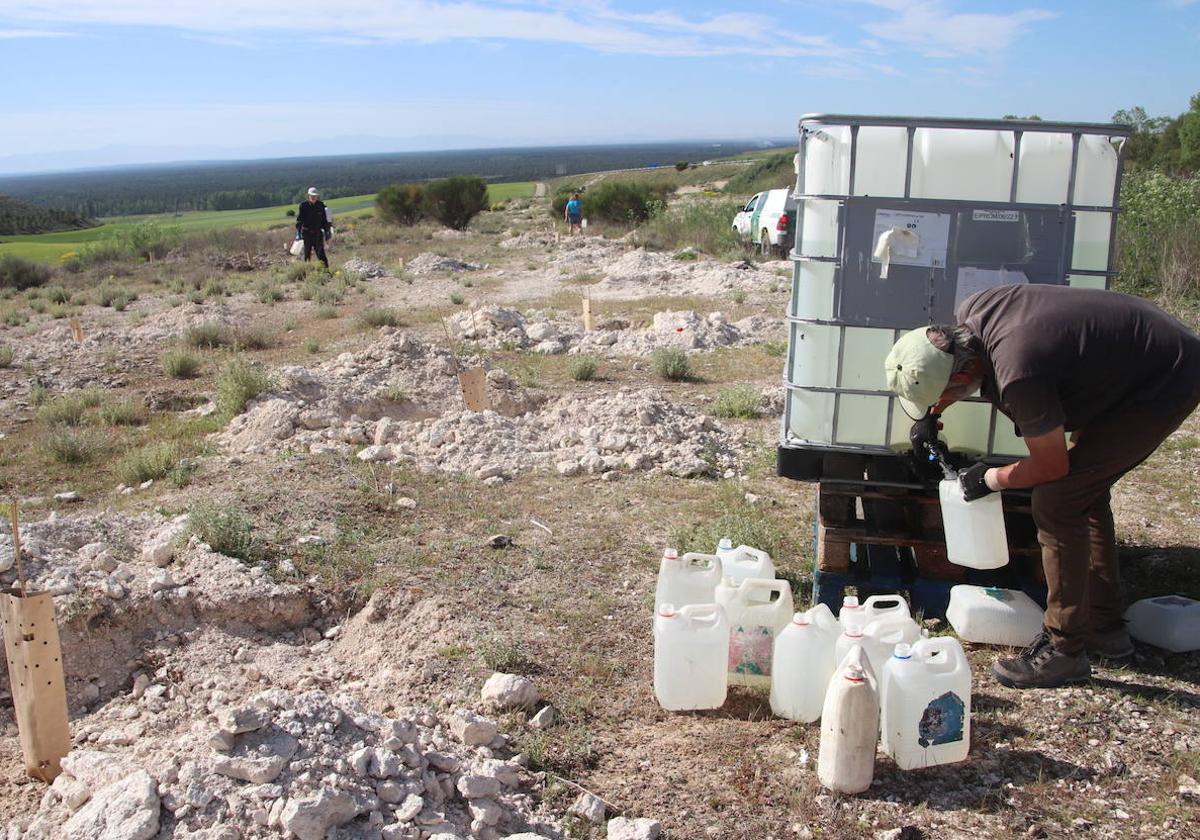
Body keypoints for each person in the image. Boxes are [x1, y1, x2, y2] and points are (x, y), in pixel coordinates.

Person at [884, 283, 1200, 689]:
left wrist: (988, 478)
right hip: (1131, 357)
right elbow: (960, 369)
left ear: (963, 372)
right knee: (1084, 488)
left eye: (949, 394)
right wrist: (930, 414)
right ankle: (1104, 628)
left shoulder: (1019, 371)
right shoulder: (973, 313)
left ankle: (1065, 650)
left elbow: (1051, 464)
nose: (949, 400)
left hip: (1164, 379)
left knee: (1060, 499)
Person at [295, 187, 332, 267]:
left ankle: (326, 272)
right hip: (306, 233)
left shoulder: (321, 205)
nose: (313, 197)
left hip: (317, 233)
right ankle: (307, 272)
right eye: (312, 196)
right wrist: (298, 233)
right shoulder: (303, 206)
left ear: (317, 196)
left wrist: (327, 232)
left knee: (321, 253)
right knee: (307, 253)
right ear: (308, 196)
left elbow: (324, 221)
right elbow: (299, 220)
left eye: (315, 196)